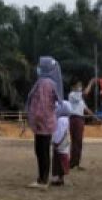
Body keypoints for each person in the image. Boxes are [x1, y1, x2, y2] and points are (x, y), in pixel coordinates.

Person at [25, 56, 62, 189]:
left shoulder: (44, 83)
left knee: (41, 151)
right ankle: (42, 178)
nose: (38, 68)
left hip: (42, 123)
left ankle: (42, 180)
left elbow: (42, 104)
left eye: (40, 65)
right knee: (43, 150)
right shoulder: (52, 83)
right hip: (47, 122)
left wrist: (38, 120)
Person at [67, 78, 96, 169]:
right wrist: (91, 83)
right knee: (75, 141)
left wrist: (96, 117)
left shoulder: (80, 98)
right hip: (74, 119)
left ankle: (76, 163)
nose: (80, 87)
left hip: (80, 119)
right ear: (73, 86)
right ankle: (72, 163)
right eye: (78, 85)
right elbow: (86, 92)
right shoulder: (72, 95)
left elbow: (86, 109)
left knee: (79, 142)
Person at [51, 101, 72, 187]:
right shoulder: (66, 119)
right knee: (62, 158)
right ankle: (60, 178)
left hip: (60, 143)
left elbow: (60, 133)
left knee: (60, 160)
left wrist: (56, 142)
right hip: (64, 143)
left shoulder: (61, 120)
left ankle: (60, 179)